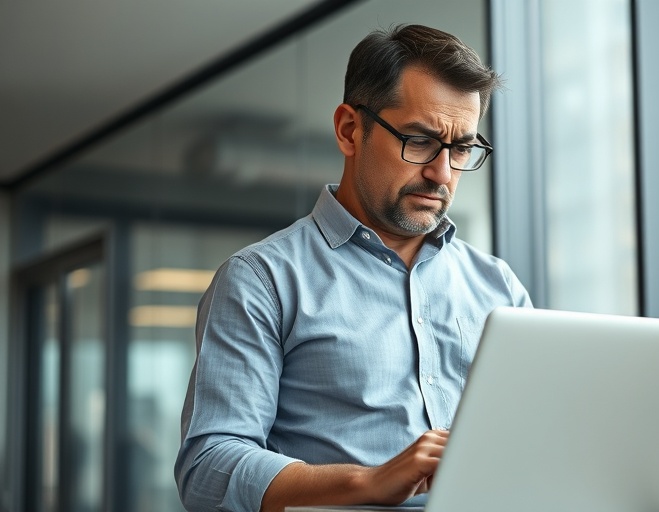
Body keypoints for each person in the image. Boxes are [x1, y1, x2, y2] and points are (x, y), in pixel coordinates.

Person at [174, 24, 531, 512]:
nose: (442, 174)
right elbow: (209, 470)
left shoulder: (498, 287)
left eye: (461, 149)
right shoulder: (262, 280)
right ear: (349, 130)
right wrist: (370, 482)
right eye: (420, 141)